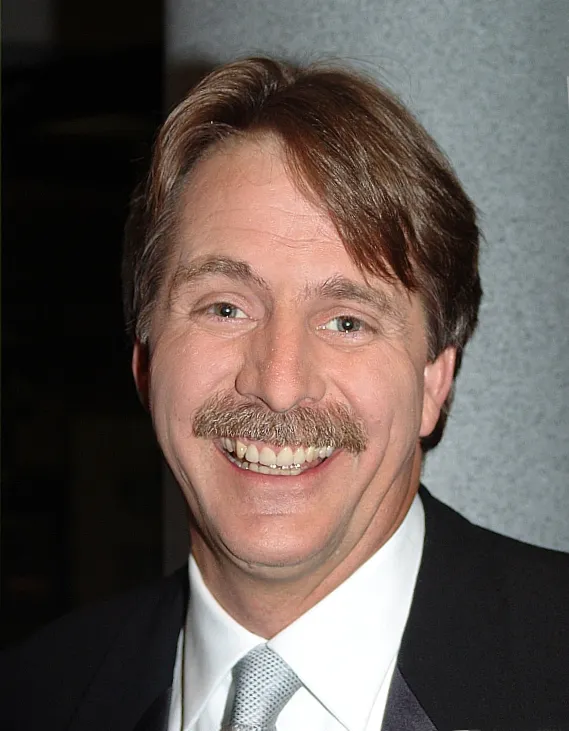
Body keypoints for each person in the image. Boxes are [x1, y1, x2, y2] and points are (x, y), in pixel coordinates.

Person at [1, 56, 568, 731]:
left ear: (432, 380)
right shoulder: (35, 695)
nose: (278, 385)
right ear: (146, 360)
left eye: (346, 321)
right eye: (225, 308)